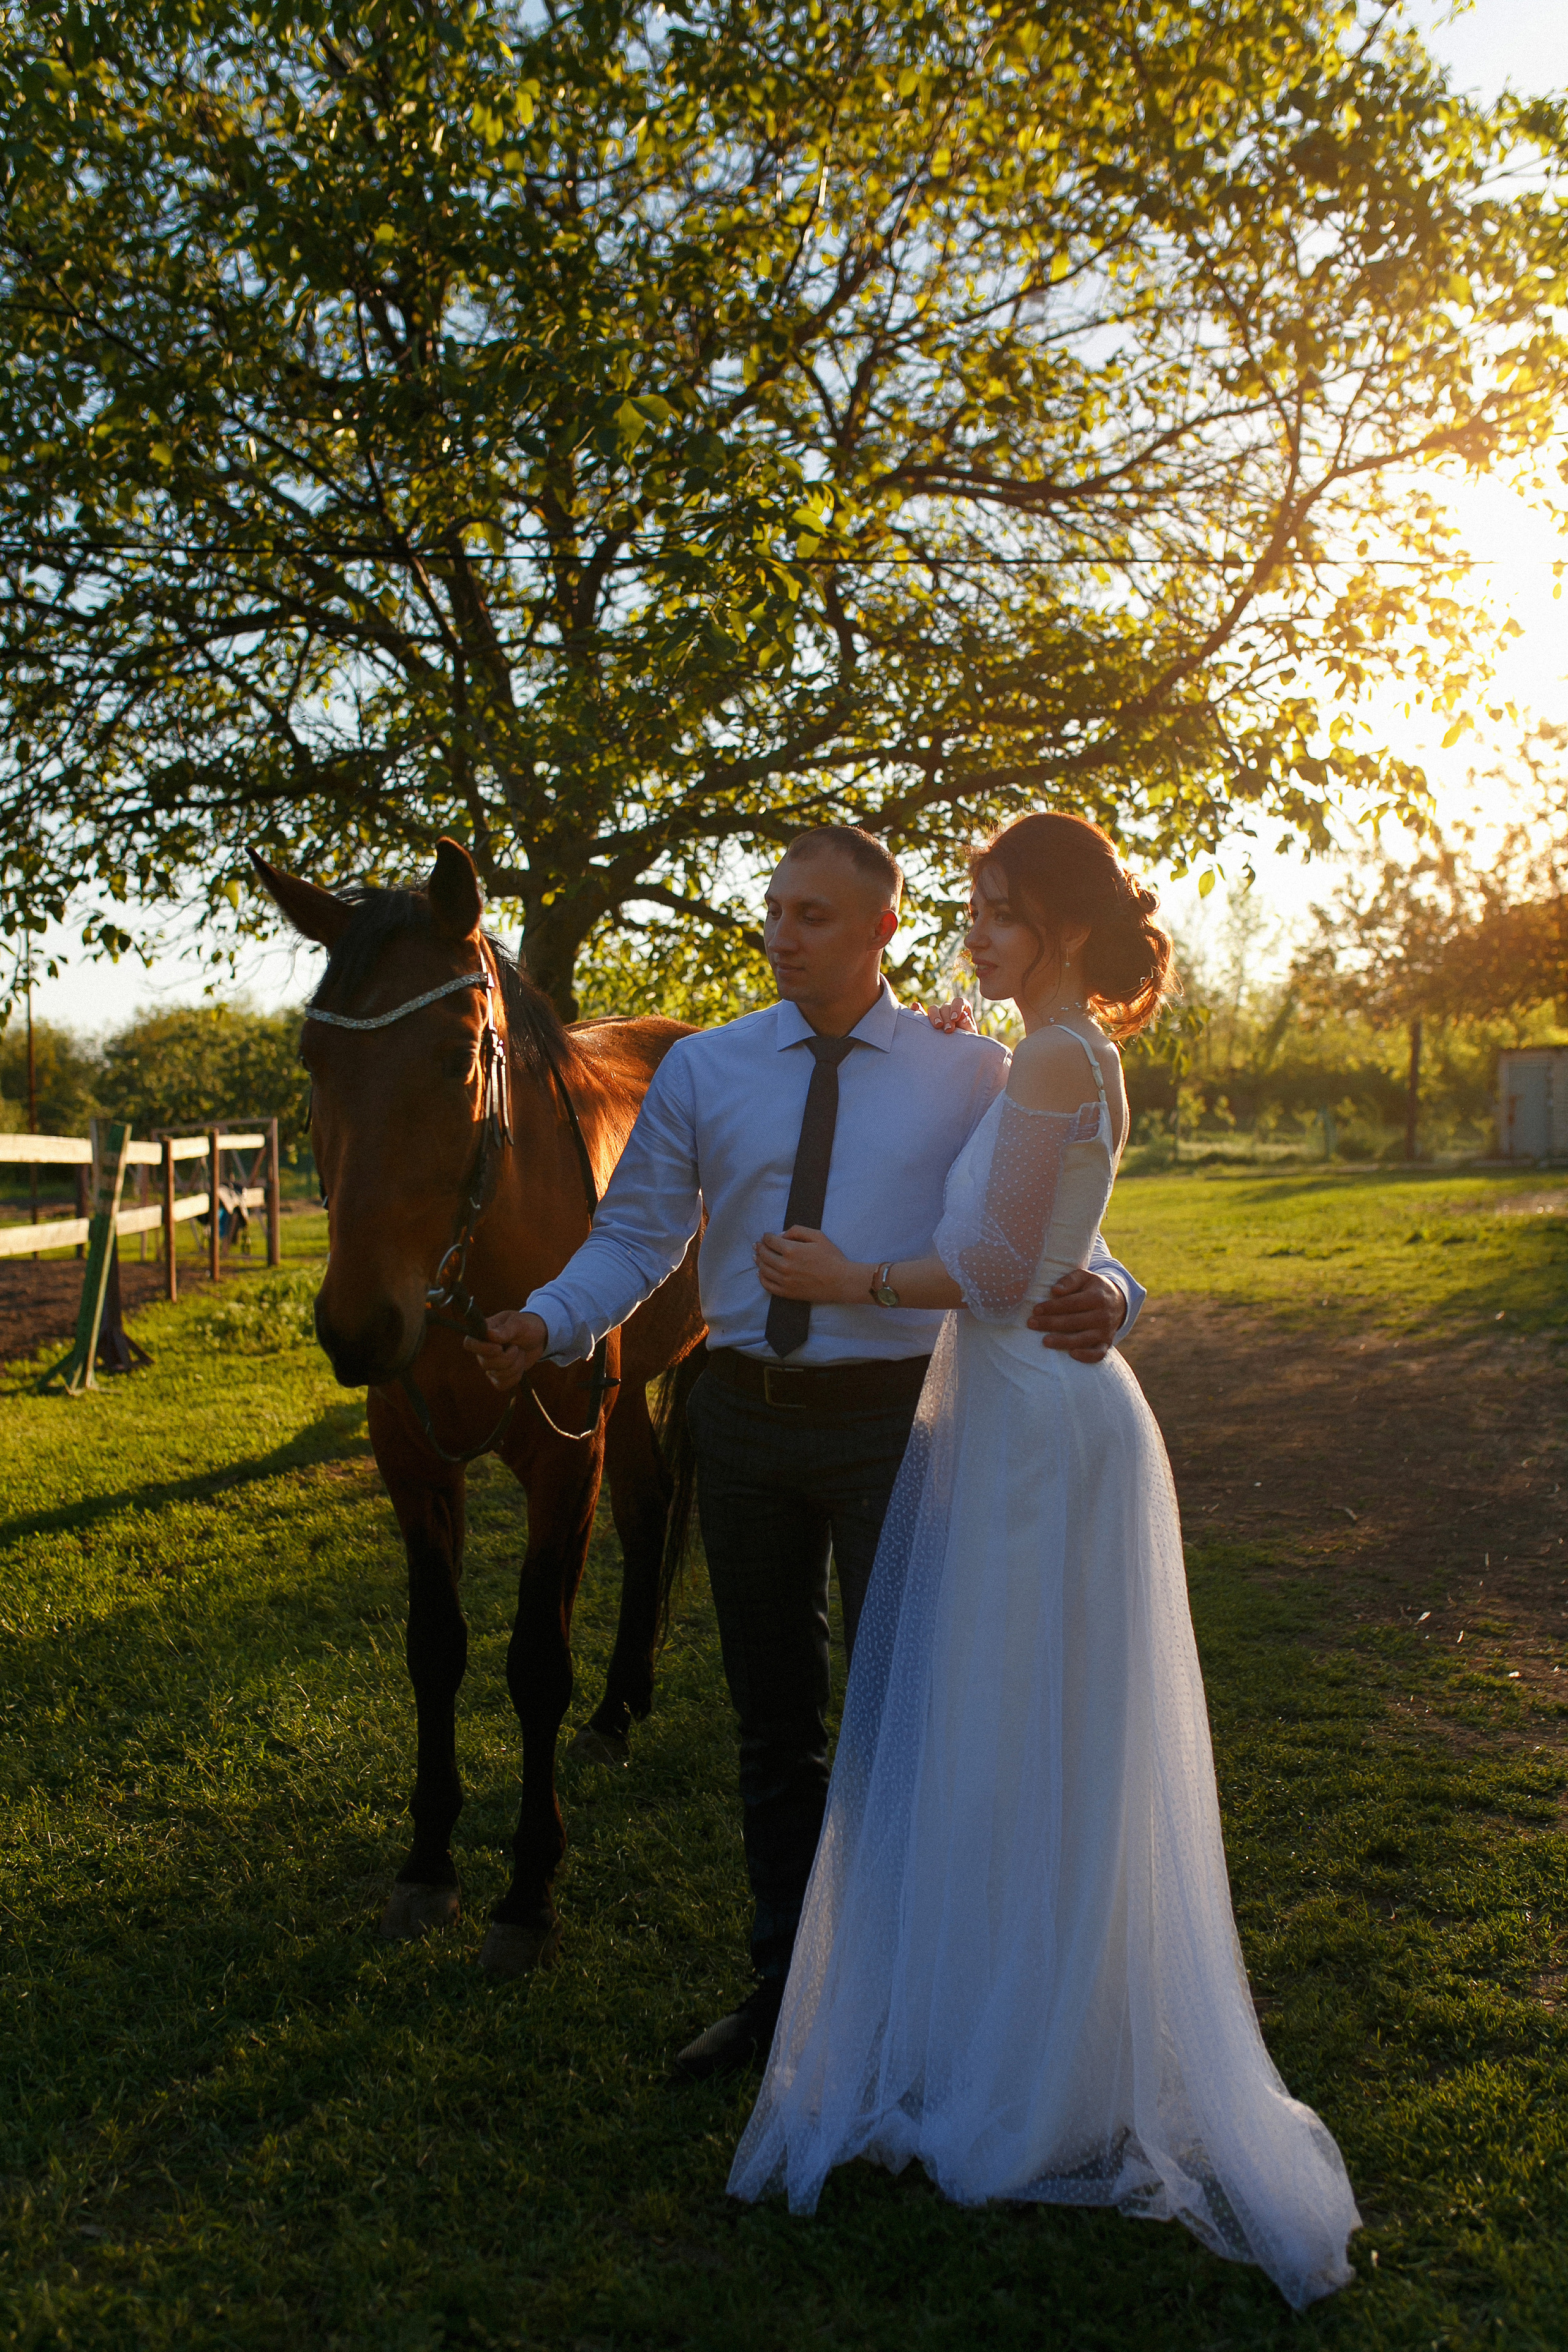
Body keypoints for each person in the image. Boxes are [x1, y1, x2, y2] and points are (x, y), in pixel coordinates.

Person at [726, 813, 1361, 2311]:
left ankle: (1024, 2072)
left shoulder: (1066, 1054)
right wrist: (974, 1046)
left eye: (999, 913)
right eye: (969, 910)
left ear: (1066, 927)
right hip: (1016, 1418)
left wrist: (851, 1278)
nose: (976, 936)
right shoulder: (1047, 1052)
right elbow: (1056, 1221)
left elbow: (1011, 1273)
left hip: (1027, 1419)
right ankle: (1006, 2032)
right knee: (1008, 1736)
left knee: (1021, 1733)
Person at [466, 824, 1145, 2078]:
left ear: (882, 929)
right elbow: (638, 1239)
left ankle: (904, 2000)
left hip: (906, 1426)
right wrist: (547, 1322)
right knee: (772, 1730)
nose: (782, 933)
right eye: (773, 910)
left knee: (913, 1726)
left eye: (814, 915)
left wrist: (1117, 1289)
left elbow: (1040, 1221)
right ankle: (786, 1998)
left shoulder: (970, 1068)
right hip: (738, 1424)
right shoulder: (706, 1073)